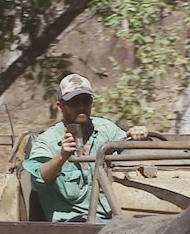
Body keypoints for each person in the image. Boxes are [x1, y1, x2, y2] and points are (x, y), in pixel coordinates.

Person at [23, 73, 148, 222]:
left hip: (109, 218)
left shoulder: (105, 129)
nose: (81, 107)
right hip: (69, 223)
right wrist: (62, 157)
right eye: (74, 102)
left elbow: (126, 144)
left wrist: (136, 134)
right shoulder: (48, 141)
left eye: (86, 101)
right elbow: (41, 175)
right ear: (60, 106)